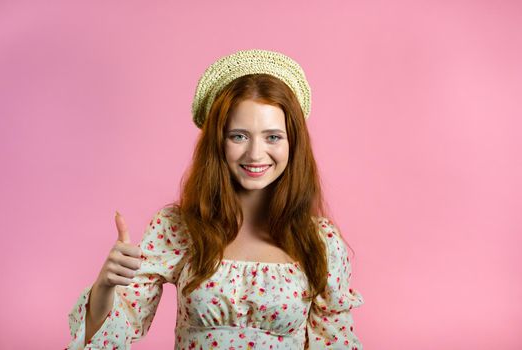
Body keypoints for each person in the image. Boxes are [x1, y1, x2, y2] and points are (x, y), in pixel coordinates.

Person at [66, 49, 364, 349]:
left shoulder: (320, 241)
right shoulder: (177, 228)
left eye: (273, 137)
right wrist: (105, 286)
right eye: (239, 136)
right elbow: (114, 332)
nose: (255, 154)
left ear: (293, 144)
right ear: (217, 142)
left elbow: (335, 342)